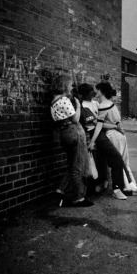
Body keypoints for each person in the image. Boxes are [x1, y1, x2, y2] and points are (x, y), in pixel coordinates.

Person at [94, 82, 137, 196]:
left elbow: (100, 125)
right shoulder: (111, 104)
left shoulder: (103, 105)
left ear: (101, 91)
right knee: (124, 163)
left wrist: (93, 139)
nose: (96, 91)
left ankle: (127, 188)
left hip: (113, 135)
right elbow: (117, 122)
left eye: (97, 89)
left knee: (118, 163)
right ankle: (133, 186)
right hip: (121, 135)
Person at [77, 83, 131, 200]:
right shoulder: (84, 107)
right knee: (116, 159)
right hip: (97, 135)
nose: (94, 92)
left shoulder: (96, 103)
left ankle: (114, 185)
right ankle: (117, 189)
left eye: (95, 90)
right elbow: (97, 123)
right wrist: (114, 127)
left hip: (104, 133)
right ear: (87, 94)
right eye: (92, 91)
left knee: (106, 161)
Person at [50, 75, 93, 207]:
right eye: (70, 85)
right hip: (74, 131)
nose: (72, 87)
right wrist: (79, 107)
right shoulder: (64, 100)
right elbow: (75, 119)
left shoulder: (53, 101)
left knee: (72, 164)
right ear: (64, 86)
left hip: (64, 134)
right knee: (78, 166)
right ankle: (78, 197)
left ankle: (61, 190)